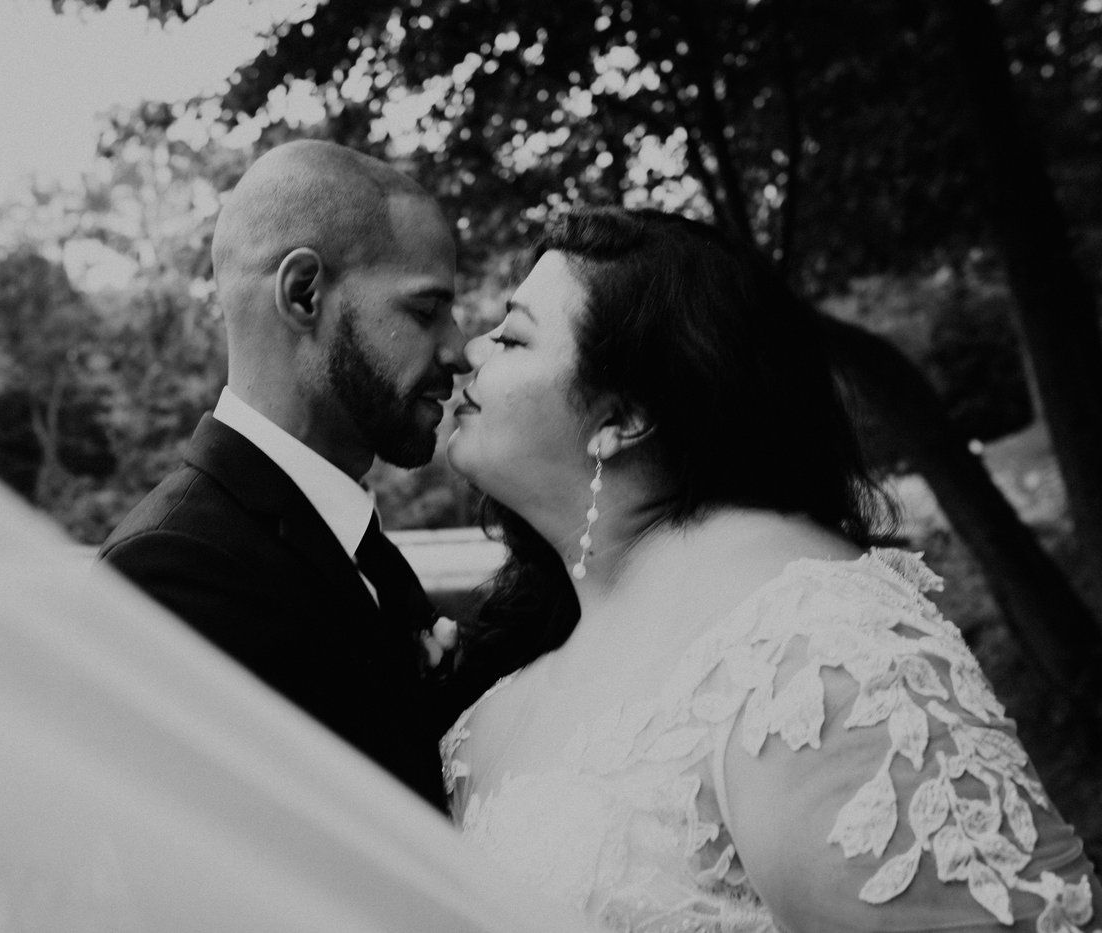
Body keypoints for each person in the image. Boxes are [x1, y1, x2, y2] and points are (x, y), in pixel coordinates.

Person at [441, 206, 1101, 930]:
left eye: (511, 335)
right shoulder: (501, 694)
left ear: (620, 417)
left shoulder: (806, 642)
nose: (469, 350)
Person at [99, 140, 470, 812]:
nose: (459, 350)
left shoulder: (359, 549)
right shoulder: (172, 572)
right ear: (304, 294)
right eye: (424, 311)